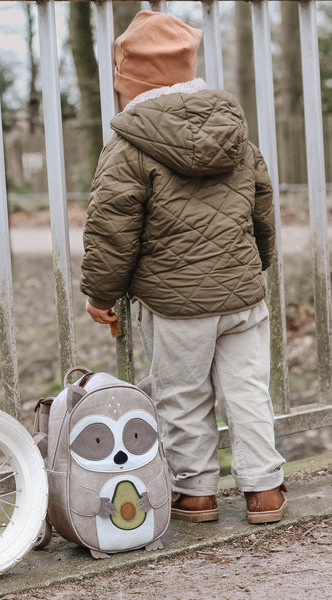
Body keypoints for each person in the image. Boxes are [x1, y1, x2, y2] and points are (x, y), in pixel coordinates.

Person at [80, 9, 287, 524]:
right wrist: (255, 267)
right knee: (247, 392)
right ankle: (265, 491)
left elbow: (112, 230)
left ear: (127, 84)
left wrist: (100, 295)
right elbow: (262, 207)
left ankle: (196, 494)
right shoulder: (235, 133)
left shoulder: (127, 147)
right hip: (242, 296)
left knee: (183, 396)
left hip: (175, 306)